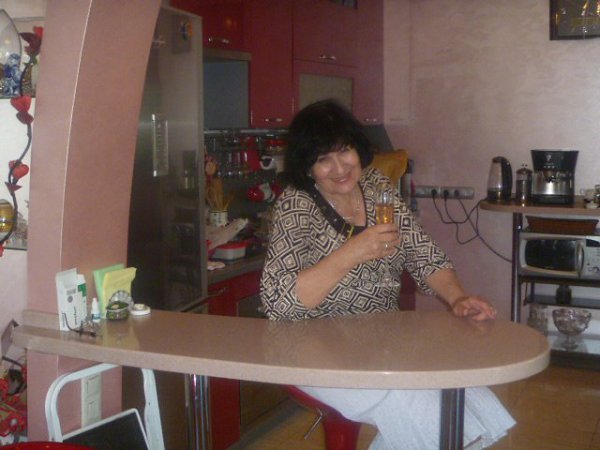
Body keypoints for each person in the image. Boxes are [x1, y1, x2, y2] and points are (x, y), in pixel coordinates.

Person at [259, 99, 515, 449]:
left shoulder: (377, 187)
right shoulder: (297, 204)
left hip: (380, 340)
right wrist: (353, 251)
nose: (339, 168)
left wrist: (457, 297)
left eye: (344, 151)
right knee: (416, 402)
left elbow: (423, 253)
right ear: (307, 166)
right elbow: (279, 302)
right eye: (323, 159)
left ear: (358, 149)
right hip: (310, 346)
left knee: (461, 387)